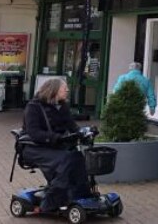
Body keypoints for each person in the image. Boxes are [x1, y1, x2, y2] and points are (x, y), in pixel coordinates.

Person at [21, 78, 93, 213]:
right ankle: (52, 200)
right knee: (66, 159)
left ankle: (80, 194)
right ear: (53, 90)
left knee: (76, 156)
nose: (67, 90)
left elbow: (71, 125)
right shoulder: (33, 107)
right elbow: (34, 133)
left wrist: (82, 133)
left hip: (55, 145)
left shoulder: (62, 106)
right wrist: (56, 137)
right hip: (34, 147)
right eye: (63, 88)